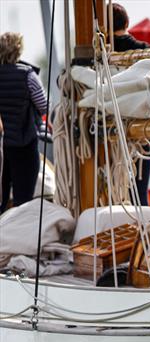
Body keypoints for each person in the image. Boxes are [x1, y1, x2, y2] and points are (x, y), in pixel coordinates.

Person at [0, 32, 48, 213]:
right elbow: (43, 106)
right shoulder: (27, 75)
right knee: (23, 201)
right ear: (18, 50)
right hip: (24, 145)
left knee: (1, 201)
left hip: (1, 148)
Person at [111, 3, 150, 205]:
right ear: (127, 23)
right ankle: (141, 232)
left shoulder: (95, 55)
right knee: (139, 197)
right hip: (140, 136)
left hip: (107, 137)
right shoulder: (144, 51)